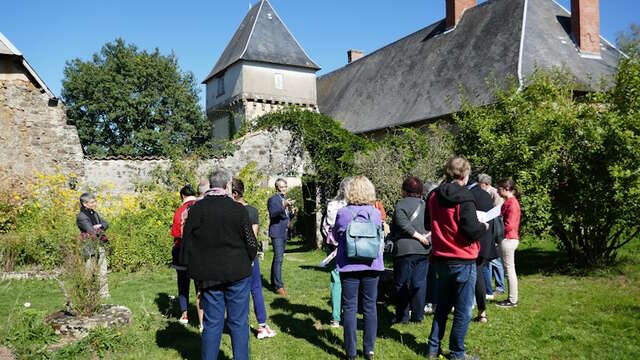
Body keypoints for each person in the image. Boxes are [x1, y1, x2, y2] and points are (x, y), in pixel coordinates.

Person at [180, 169, 258, 360]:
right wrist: (249, 259)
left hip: (208, 274)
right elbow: (251, 242)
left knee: (212, 322)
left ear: (211, 186)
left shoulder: (196, 209)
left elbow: (187, 241)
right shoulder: (238, 209)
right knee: (239, 322)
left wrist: (191, 268)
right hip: (237, 272)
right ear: (228, 186)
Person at [425, 156, 488, 360]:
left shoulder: (433, 196)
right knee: (462, 309)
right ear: (466, 174)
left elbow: (428, 224)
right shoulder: (465, 197)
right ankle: (457, 353)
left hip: (441, 258)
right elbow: (471, 230)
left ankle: (433, 348)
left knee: (442, 305)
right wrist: (484, 227)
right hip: (462, 258)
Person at [333, 176, 383, 360]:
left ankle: (351, 352)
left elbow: (337, 235)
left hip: (349, 264)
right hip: (372, 264)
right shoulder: (376, 213)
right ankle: (369, 350)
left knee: (350, 307)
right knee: (370, 306)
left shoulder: (343, 213)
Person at [231, 178, 277, 339]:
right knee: (255, 289)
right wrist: (251, 257)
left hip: (232, 256)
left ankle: (238, 324)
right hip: (247, 256)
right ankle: (262, 326)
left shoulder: (228, 211)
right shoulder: (252, 211)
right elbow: (253, 237)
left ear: (235, 194)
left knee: (236, 292)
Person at [391, 176, 430, 324]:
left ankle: (402, 316)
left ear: (404, 190)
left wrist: (417, 236)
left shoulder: (400, 205)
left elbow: (402, 224)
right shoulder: (426, 205)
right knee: (419, 283)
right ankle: (418, 317)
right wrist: (424, 239)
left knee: (402, 284)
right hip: (424, 249)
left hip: (404, 250)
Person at [170, 184, 203, 329]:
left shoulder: (180, 211)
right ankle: (202, 315)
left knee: (183, 282)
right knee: (199, 284)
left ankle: (185, 313)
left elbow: (177, 233)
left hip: (182, 250)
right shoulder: (200, 206)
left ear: (182, 196)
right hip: (198, 251)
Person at [467, 180, 500, 323]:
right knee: (479, 274)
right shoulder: (486, 195)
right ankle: (482, 312)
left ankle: (466, 307)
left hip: (471, 241)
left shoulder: (468, 194)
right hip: (486, 241)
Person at [322, 177, 351, 328]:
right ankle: (349, 314)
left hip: (334, 245)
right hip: (351, 245)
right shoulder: (354, 206)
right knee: (351, 279)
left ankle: (336, 317)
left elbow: (329, 225)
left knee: (336, 280)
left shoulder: (332, 204)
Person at [477, 174, 506, 299]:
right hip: (488, 226)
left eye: (480, 184)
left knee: (496, 259)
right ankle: (488, 288)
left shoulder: (495, 193)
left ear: (486, 184)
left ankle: (500, 286)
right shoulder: (487, 192)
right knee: (488, 260)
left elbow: (498, 211)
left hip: (495, 228)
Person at [76, 193, 110, 299]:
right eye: (92, 202)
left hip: (99, 244)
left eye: (95, 201)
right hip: (89, 246)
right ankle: (89, 295)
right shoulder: (81, 217)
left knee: (103, 270)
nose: (94, 203)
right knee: (89, 272)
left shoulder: (94, 213)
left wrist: (99, 226)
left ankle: (104, 294)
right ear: (84, 204)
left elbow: (106, 224)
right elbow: (91, 231)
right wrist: (96, 228)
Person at [495, 178, 521, 308]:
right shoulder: (512, 202)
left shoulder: (510, 203)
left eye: (499, 189)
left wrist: (498, 231)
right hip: (512, 238)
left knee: (509, 271)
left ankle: (512, 300)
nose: (497, 191)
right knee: (510, 270)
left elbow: (509, 225)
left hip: (508, 239)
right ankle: (512, 299)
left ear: (506, 188)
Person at [267, 178, 295, 296]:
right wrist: (284, 205)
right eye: (282, 187)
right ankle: (279, 286)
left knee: (277, 259)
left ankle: (274, 282)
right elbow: (273, 214)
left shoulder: (283, 199)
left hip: (283, 232)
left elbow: (285, 217)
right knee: (279, 259)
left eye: (285, 186)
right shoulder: (273, 199)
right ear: (277, 187)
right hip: (277, 232)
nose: (284, 189)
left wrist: (292, 213)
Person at [423, 181, 439, 315]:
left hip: (433, 242)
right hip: (440, 242)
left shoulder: (430, 203)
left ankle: (432, 301)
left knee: (432, 274)